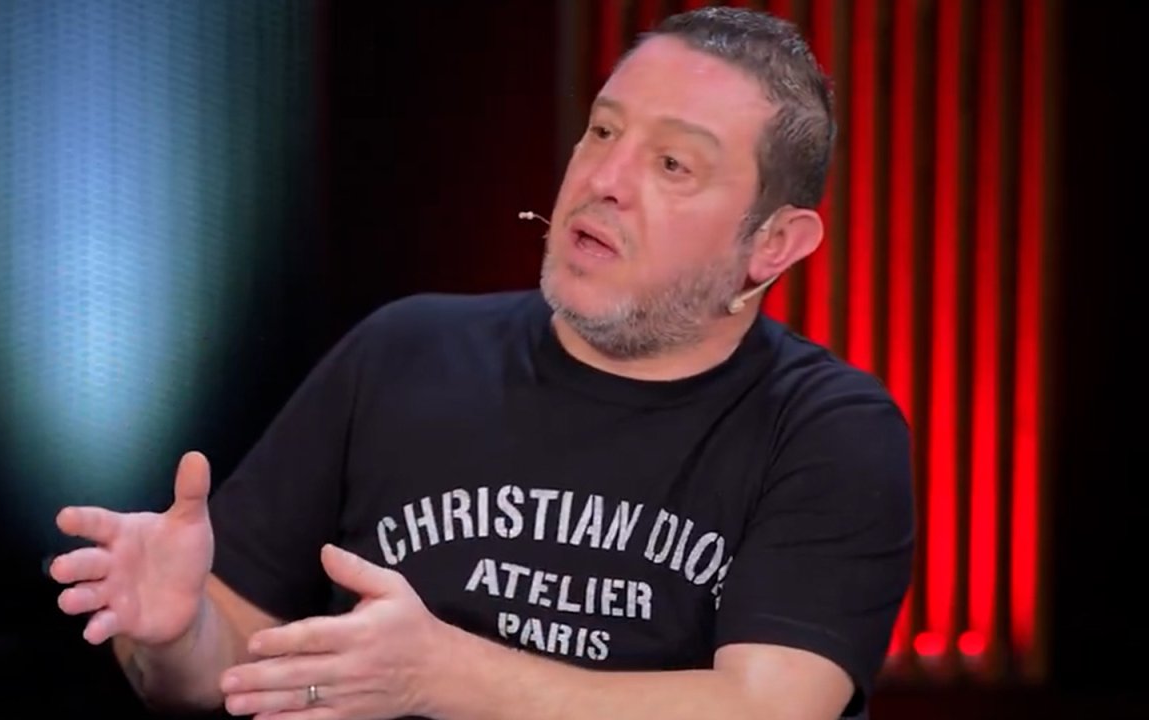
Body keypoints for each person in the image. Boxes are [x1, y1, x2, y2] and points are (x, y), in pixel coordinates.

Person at [50, 6, 914, 720]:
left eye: (672, 163)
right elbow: (231, 667)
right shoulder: (404, 352)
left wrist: (440, 675)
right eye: (602, 129)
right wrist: (180, 634)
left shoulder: (827, 431)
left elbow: (769, 706)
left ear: (773, 244)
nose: (605, 178)